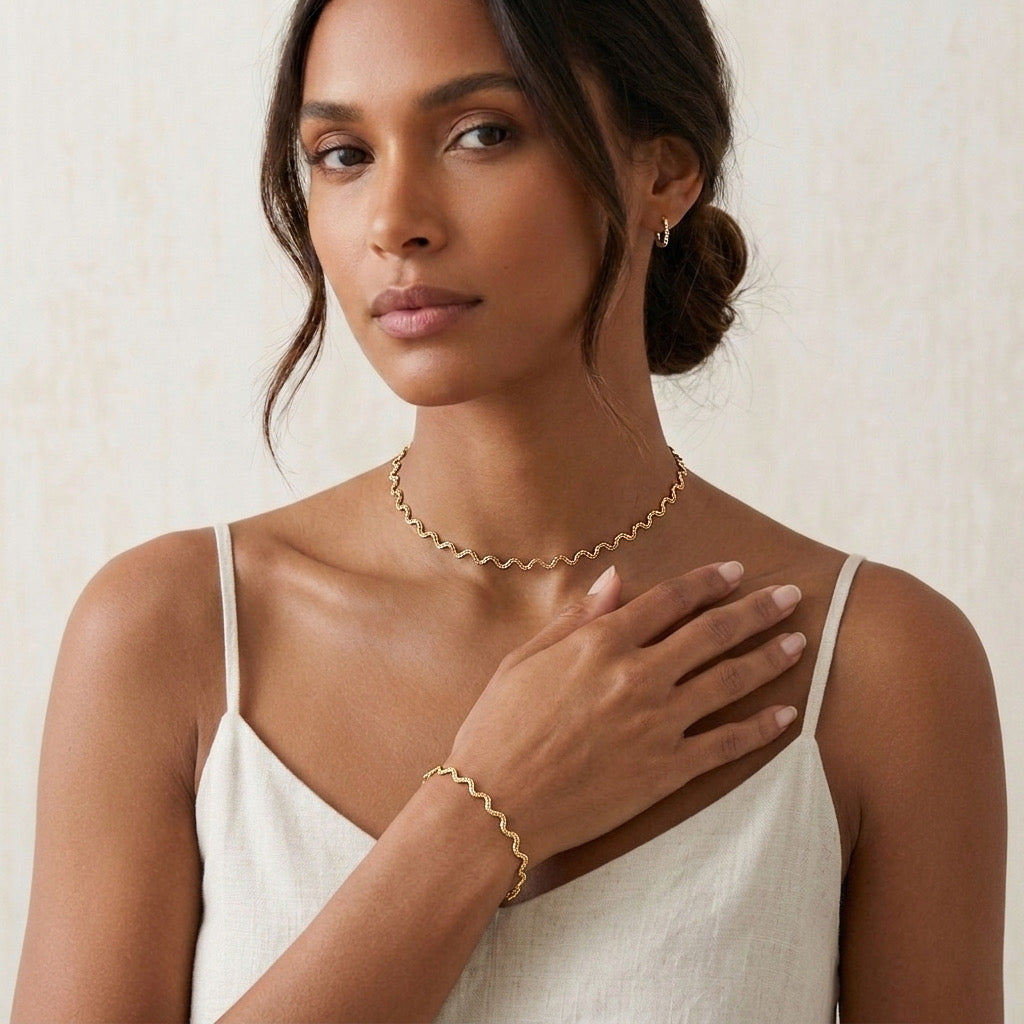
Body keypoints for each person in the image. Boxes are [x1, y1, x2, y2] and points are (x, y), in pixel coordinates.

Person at [12, 0, 1006, 1021]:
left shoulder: (874, 666)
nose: (396, 218)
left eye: (481, 133)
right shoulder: (173, 634)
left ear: (663, 169)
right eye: (343, 153)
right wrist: (484, 814)